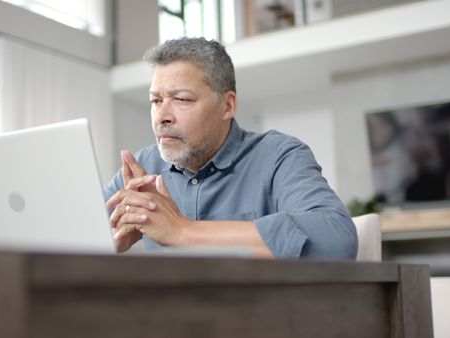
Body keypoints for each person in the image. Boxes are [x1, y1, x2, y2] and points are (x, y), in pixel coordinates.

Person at [104, 37, 357, 259]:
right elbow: (76, 236)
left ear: (228, 106)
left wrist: (182, 230)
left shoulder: (278, 155)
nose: (162, 116)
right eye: (156, 101)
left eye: (181, 99)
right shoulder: (142, 168)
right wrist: (107, 243)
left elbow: (336, 240)